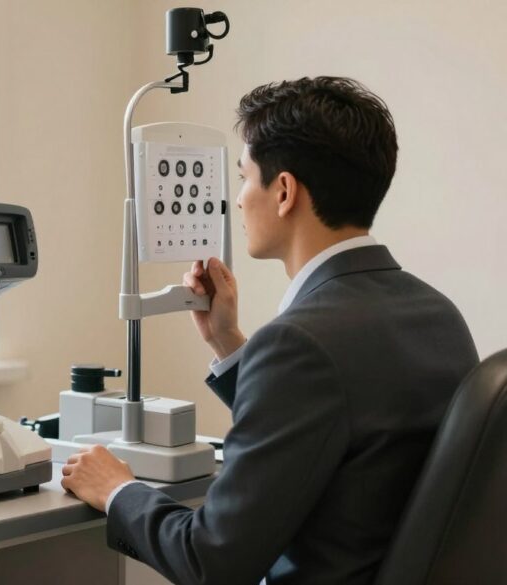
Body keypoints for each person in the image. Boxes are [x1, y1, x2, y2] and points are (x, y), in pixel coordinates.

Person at [60, 77, 479, 585]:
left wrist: (117, 490)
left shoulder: (300, 344)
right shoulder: (437, 314)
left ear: (283, 191)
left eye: (243, 178)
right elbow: (340, 426)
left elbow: (210, 561)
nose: (236, 200)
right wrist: (228, 341)